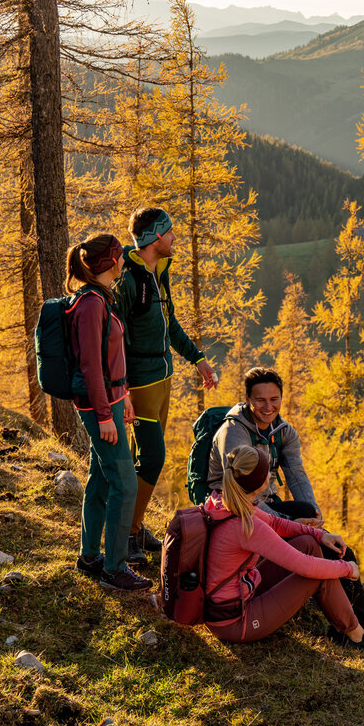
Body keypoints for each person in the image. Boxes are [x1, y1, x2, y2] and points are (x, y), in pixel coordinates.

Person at [207, 366, 364, 633]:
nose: (268, 407)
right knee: (321, 549)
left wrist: (316, 521)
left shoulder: (283, 432)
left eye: (274, 399)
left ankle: (363, 627)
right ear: (248, 399)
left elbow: (297, 475)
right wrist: (290, 523)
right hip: (236, 508)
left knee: (321, 531)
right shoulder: (234, 433)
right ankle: (361, 629)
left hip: (264, 504)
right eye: (260, 400)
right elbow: (245, 498)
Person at [203, 445, 364, 659]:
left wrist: (319, 535)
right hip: (235, 622)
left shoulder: (225, 501)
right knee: (316, 575)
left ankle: (345, 623)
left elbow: (275, 523)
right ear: (258, 482)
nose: (270, 473)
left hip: (236, 597)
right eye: (266, 470)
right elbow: (303, 565)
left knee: (308, 543)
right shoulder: (247, 525)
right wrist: (347, 568)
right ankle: (358, 637)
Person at [113, 206, 217, 566]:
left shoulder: (159, 271)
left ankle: (135, 525)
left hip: (163, 379)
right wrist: (122, 389)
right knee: (152, 457)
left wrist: (197, 358)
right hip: (140, 385)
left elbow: (169, 324)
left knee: (143, 457)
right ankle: (126, 534)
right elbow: (113, 340)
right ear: (156, 236)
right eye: (169, 231)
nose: (174, 237)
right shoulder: (127, 281)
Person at [65, 234, 152, 593]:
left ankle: (89, 557)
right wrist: (104, 415)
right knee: (124, 483)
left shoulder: (102, 298)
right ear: (112, 261)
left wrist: (123, 395)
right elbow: (89, 365)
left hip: (111, 400)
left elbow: (110, 357)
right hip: (98, 406)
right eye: (120, 255)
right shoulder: (89, 304)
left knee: (101, 479)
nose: (124, 261)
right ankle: (114, 569)